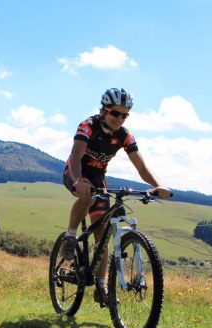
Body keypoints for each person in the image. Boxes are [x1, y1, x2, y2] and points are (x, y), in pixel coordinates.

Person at [61, 87, 172, 304]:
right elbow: (76, 155)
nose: (120, 119)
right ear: (104, 110)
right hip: (76, 172)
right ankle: (70, 236)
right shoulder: (88, 125)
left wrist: (158, 186)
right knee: (87, 197)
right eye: (115, 113)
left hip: (98, 178)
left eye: (124, 115)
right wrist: (77, 180)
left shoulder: (124, 135)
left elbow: (141, 167)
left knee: (102, 236)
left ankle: (101, 286)